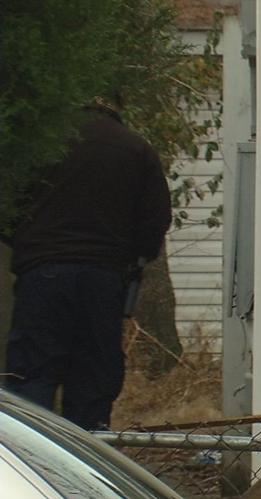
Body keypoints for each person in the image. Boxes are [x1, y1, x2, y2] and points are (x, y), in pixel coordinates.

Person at [4, 95, 171, 430]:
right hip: (103, 278)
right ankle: (86, 458)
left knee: (32, 374)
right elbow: (155, 220)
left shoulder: (42, 143)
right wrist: (132, 260)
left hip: (42, 273)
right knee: (93, 378)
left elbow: (9, 204)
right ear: (118, 106)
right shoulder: (137, 149)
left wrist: (26, 245)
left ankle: (31, 459)